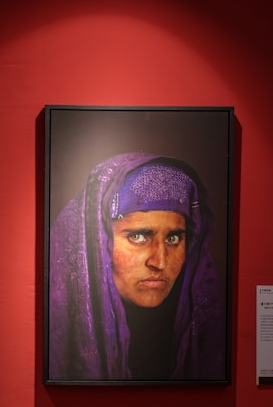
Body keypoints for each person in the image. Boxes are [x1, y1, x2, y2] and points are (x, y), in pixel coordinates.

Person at [47, 152, 226, 381]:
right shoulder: (58, 332)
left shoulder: (200, 339)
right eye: (139, 236)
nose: (159, 262)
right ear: (97, 242)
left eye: (173, 238)